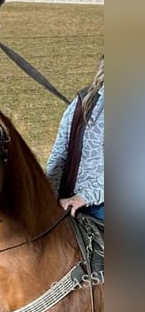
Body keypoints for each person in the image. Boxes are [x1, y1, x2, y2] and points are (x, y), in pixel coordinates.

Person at [46, 56, 104, 220]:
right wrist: (50, 191)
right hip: (67, 198)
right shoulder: (82, 102)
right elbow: (59, 153)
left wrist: (84, 197)